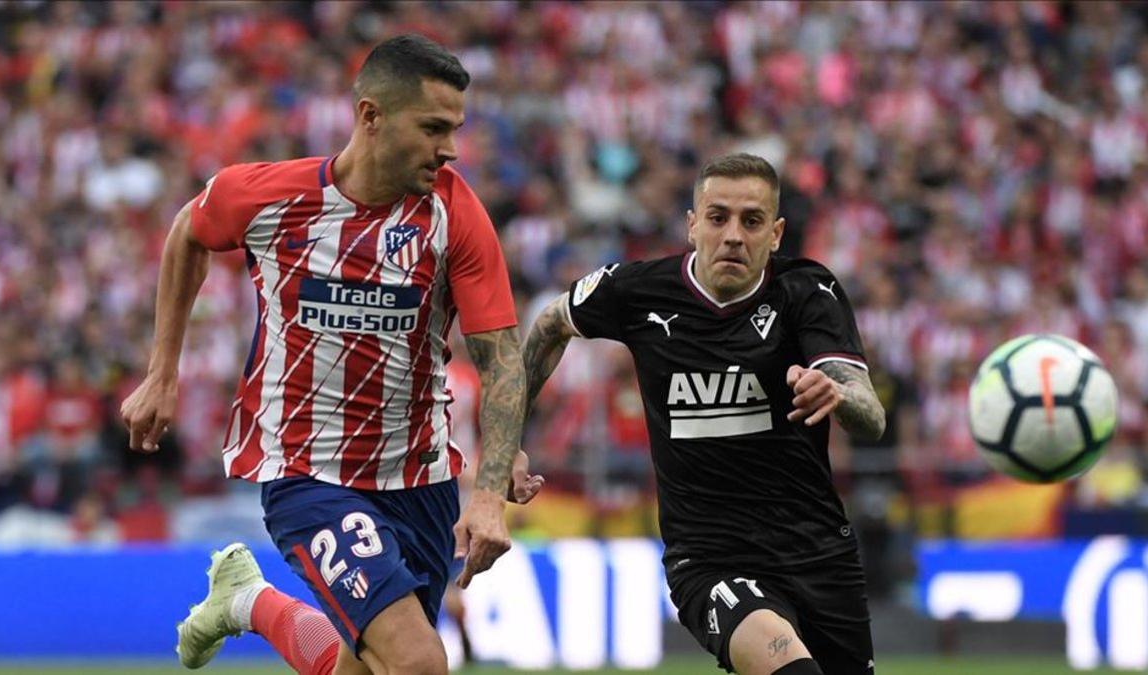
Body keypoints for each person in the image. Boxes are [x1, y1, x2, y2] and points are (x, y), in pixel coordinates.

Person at [120, 34, 543, 675]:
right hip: (306, 471)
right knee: (419, 663)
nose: (449, 148)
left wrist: (489, 484)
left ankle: (251, 604)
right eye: (433, 127)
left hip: (420, 478)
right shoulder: (269, 197)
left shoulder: (455, 213)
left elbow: (501, 358)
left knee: (366, 667)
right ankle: (254, 602)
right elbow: (189, 232)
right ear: (371, 116)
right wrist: (162, 372)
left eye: (454, 128)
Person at [521, 153, 885, 675]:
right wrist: (506, 445)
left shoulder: (808, 292)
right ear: (692, 226)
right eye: (718, 218)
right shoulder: (637, 291)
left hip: (818, 553)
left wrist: (838, 395)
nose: (733, 235)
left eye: (752, 221)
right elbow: (548, 327)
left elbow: (870, 414)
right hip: (711, 561)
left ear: (776, 233)